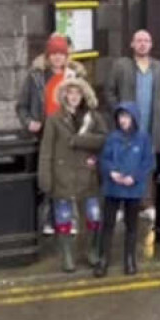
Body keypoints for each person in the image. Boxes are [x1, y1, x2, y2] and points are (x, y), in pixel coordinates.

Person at [17, 33, 86, 235]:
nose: (57, 57)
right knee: (47, 177)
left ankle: (70, 220)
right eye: (53, 53)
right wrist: (29, 122)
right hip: (45, 134)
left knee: (68, 178)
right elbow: (21, 106)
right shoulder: (35, 76)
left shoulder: (75, 77)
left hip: (68, 134)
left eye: (61, 53)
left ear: (67, 56)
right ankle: (48, 220)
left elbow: (86, 104)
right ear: (48, 56)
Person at [105, 30, 160, 241]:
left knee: (146, 163)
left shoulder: (159, 68)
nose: (143, 44)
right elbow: (109, 91)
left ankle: (146, 202)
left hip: (151, 125)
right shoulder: (121, 65)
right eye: (139, 41)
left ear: (151, 45)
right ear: (132, 44)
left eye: (147, 41)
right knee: (123, 161)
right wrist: (119, 113)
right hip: (126, 126)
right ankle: (123, 204)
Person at [39, 78, 108, 272]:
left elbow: (104, 140)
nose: (74, 96)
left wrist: (80, 140)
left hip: (88, 176)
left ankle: (92, 252)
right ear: (64, 95)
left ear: (84, 95)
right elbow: (46, 151)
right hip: (62, 176)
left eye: (78, 93)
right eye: (70, 93)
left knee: (94, 216)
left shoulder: (93, 117)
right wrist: (45, 178)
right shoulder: (54, 119)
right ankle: (67, 257)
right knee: (63, 218)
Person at [95, 103, 153, 278]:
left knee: (131, 225)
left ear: (134, 118)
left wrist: (134, 177)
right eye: (121, 117)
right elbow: (104, 159)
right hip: (113, 187)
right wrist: (111, 172)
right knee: (108, 224)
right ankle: (103, 259)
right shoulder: (112, 137)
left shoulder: (143, 138)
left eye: (127, 117)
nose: (123, 120)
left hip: (132, 188)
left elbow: (148, 162)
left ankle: (130, 259)